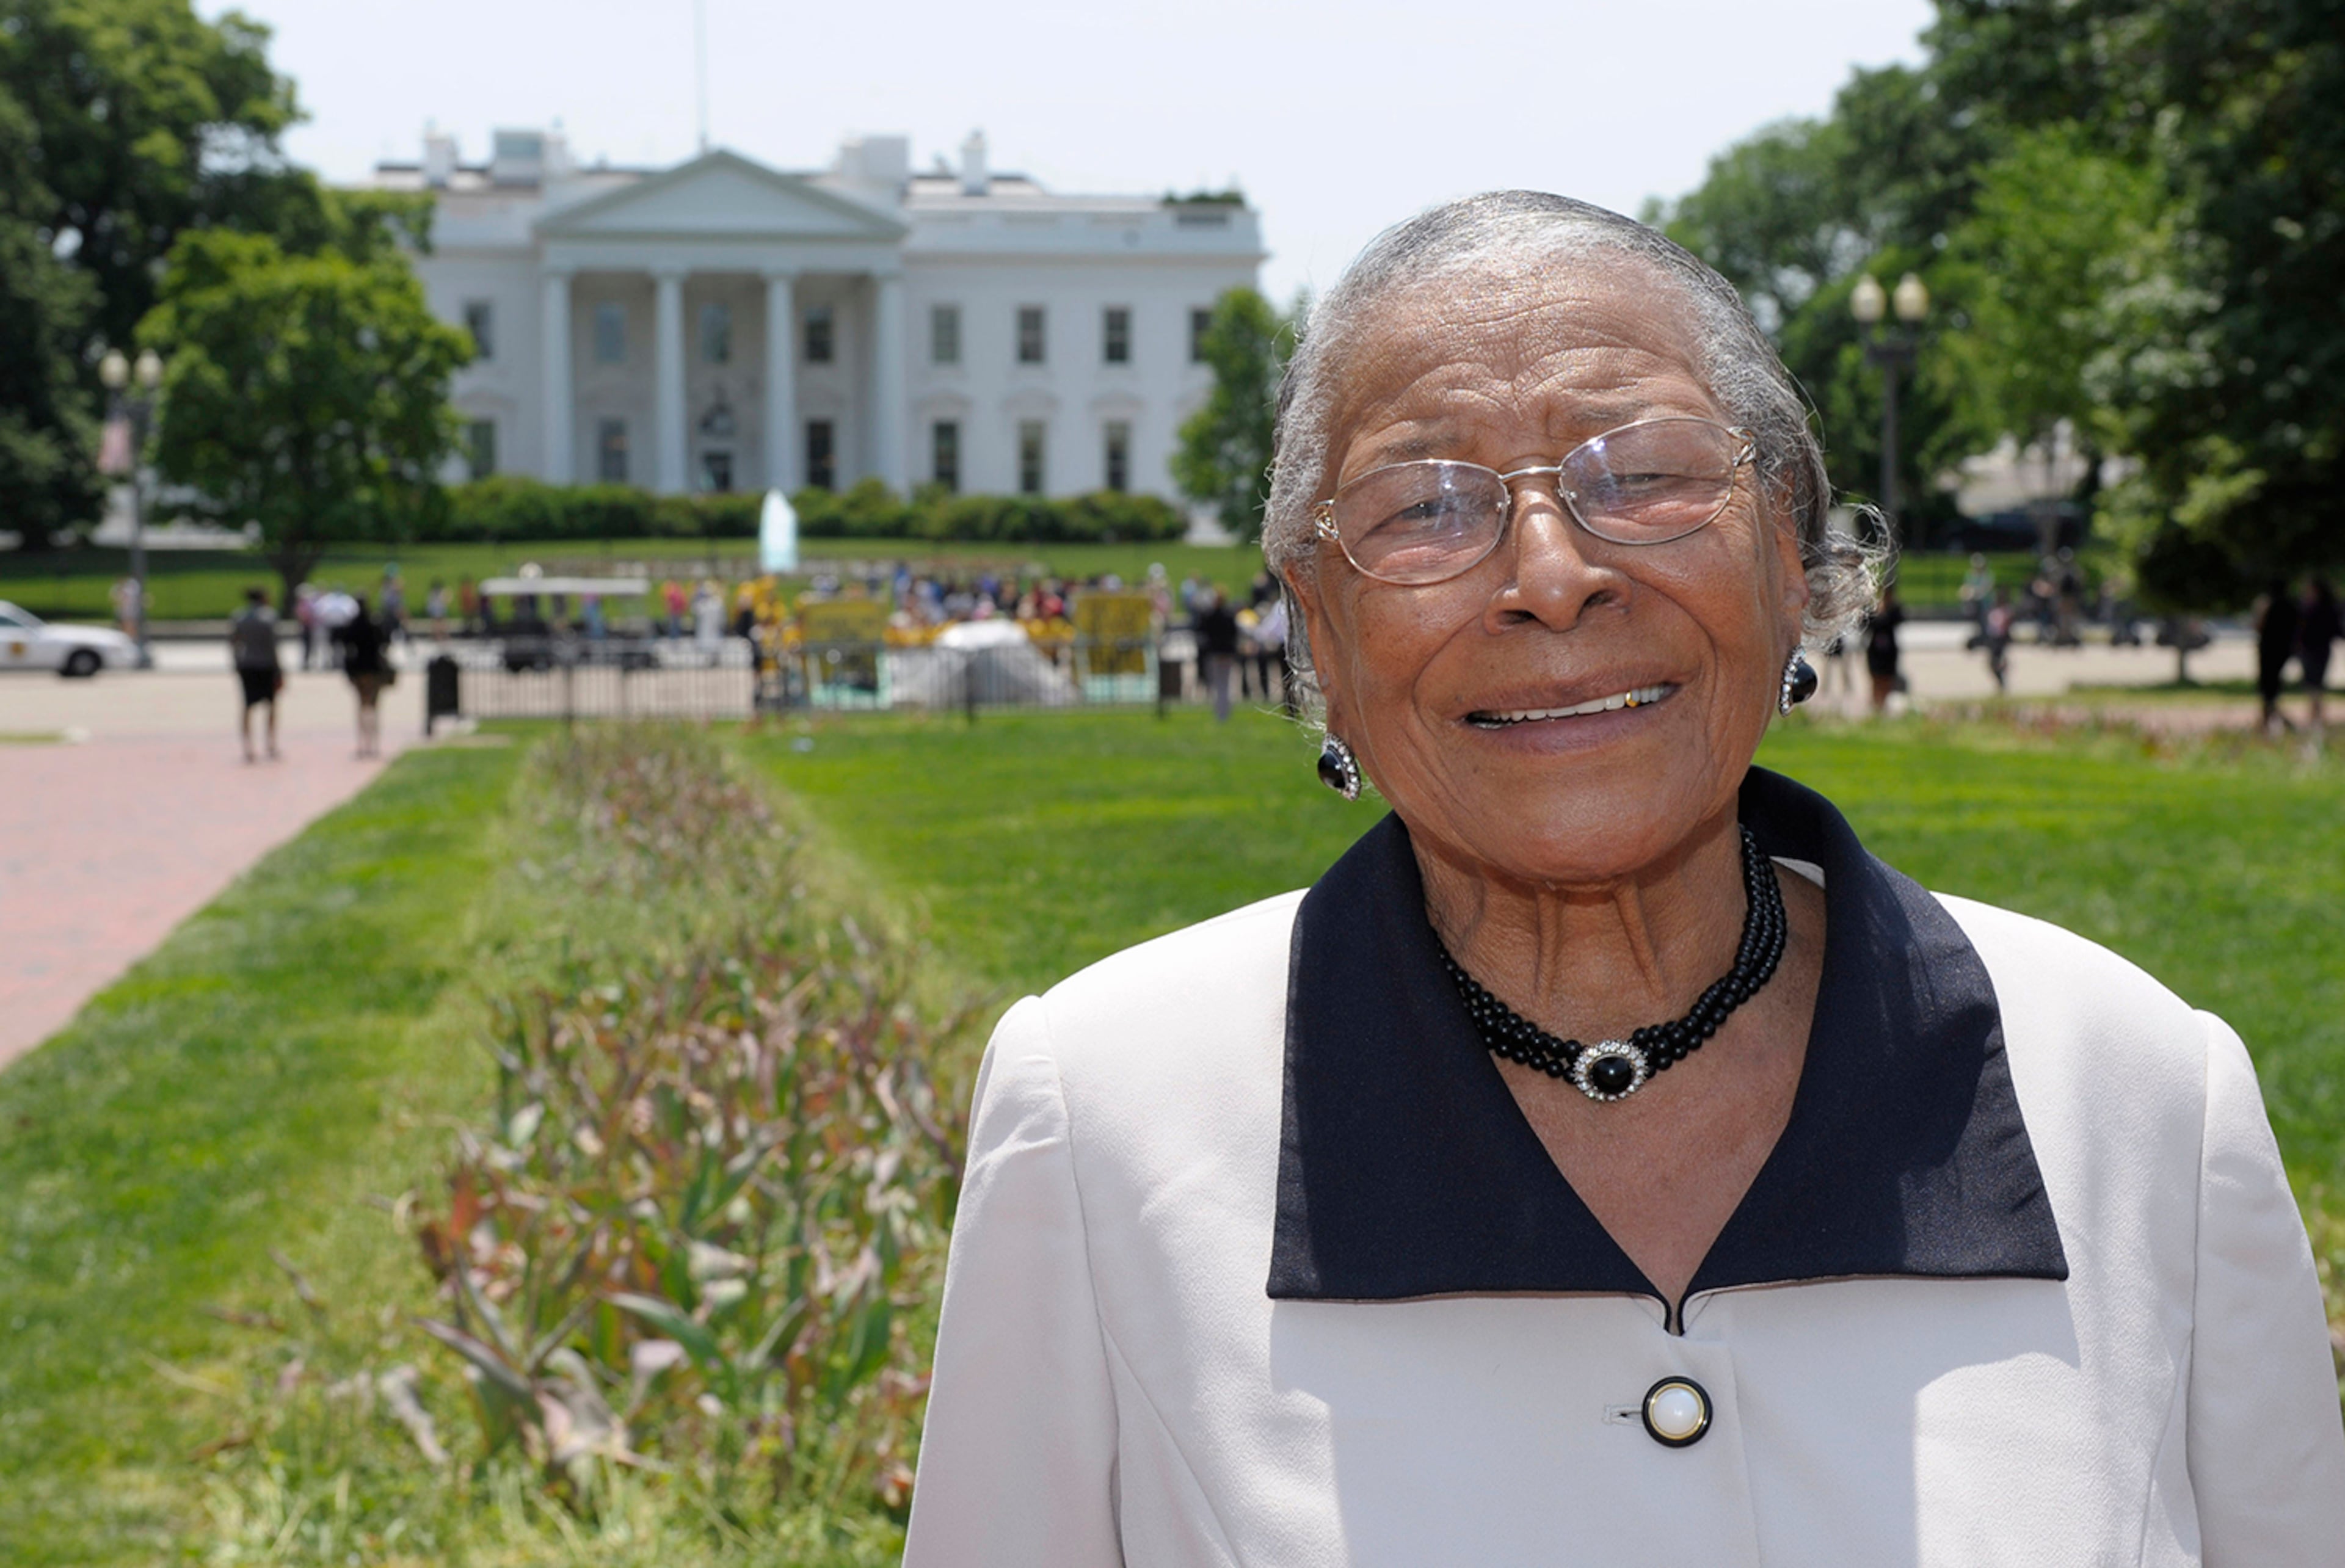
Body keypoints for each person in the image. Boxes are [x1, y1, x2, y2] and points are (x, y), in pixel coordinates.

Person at [902, 191, 2345, 1565]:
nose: (1547, 569)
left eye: (1641, 476)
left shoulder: (2138, 1090)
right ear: (1316, 632)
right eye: (1422, 507)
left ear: (1791, 551)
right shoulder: (1099, 1121)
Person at [228, 587, 282, 762]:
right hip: (266, 665)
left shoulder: (239, 617)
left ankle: (248, 746)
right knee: (271, 705)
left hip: (248, 664)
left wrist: (236, 662)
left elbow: (233, 642)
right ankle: (270, 743)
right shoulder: (269, 617)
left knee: (247, 706)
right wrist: (279, 669)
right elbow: (273, 646)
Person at [334, 594, 390, 759]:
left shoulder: (353, 624)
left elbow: (345, 644)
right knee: (374, 706)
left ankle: (362, 744)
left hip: (359, 669)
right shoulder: (374, 623)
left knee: (361, 705)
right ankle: (374, 743)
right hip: (374, 668)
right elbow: (384, 643)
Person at [2255, 576, 2301, 734]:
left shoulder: (2270, 606)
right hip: (2283, 652)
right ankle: (2270, 722)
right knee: (2272, 689)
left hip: (2269, 651)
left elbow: (2259, 627)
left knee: (2267, 690)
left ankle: (2269, 724)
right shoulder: (2291, 606)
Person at [1193, 585, 1241, 722]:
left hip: (1214, 654)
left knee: (1216, 684)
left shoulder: (1209, 615)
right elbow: (1234, 634)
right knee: (1225, 684)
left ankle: (1220, 713)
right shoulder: (1229, 615)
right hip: (1226, 654)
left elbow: (1202, 633)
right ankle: (1224, 712)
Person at [2299, 575, 2340, 730]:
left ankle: (2315, 718)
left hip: (2312, 650)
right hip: (2322, 650)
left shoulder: (2309, 608)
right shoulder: (2330, 607)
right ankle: (2317, 717)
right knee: (2316, 686)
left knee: (2313, 686)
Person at [1864, 585, 1904, 714]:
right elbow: (1866, 626)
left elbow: (1898, 621)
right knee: (1875, 679)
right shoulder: (1873, 610)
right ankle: (1876, 705)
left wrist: (1887, 609)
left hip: (1889, 651)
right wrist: (1877, 611)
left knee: (1887, 679)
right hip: (1875, 651)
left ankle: (1883, 705)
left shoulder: (1894, 610)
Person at [1983, 583, 2015, 694]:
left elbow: (2007, 627)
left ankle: (2002, 683)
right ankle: (2000, 682)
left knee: (1997, 662)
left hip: (2000, 639)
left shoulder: (2007, 611)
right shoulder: (1994, 609)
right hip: (1993, 639)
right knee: (1992, 663)